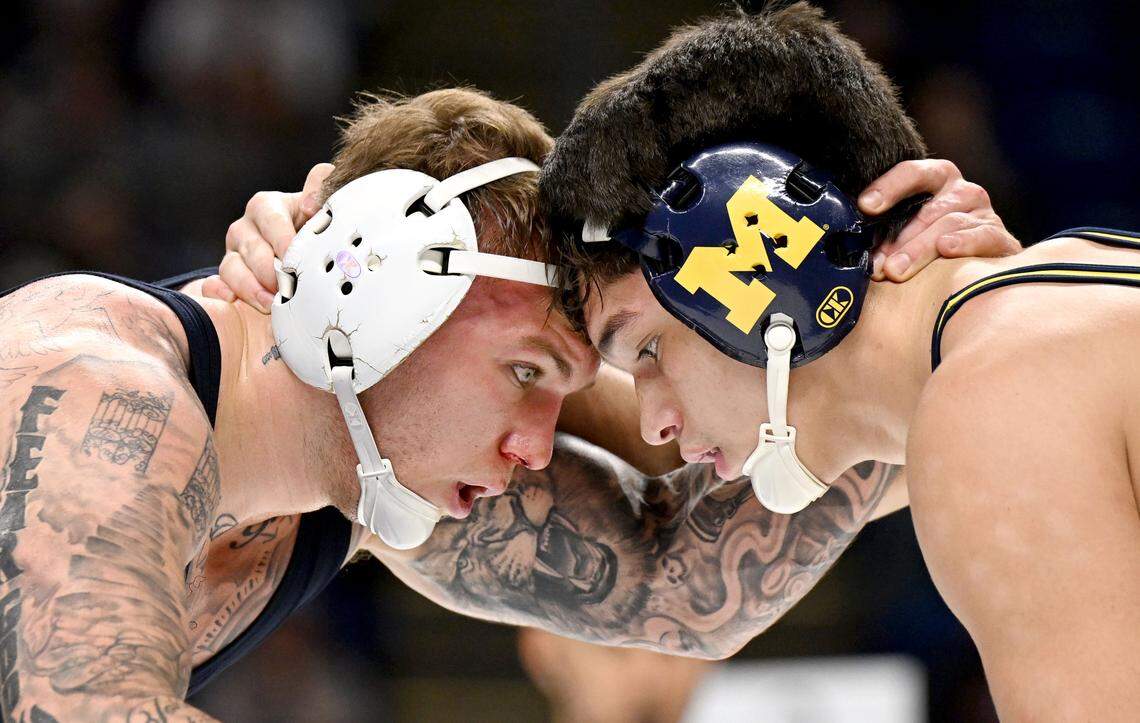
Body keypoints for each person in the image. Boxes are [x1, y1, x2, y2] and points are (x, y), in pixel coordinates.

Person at [0, 74, 1009, 723]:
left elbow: (680, 575)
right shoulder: (90, 389)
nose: (536, 446)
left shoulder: (360, 472)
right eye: (526, 372)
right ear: (375, 290)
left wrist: (916, 329)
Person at [532, 5, 1139, 719]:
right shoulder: (1075, 283)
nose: (656, 421)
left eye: (647, 349)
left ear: (763, 254)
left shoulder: (993, 405)